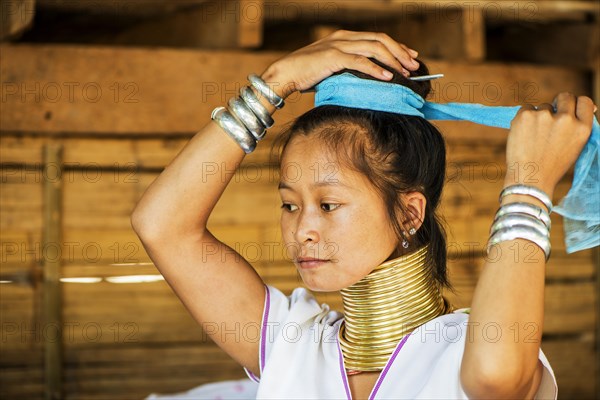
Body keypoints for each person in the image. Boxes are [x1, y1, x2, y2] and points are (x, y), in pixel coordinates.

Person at [132, 30, 596, 399]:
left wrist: (529, 181)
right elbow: (162, 226)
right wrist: (275, 82)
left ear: (410, 214)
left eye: (328, 205)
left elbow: (494, 379)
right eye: (290, 204)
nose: (302, 230)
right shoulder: (290, 344)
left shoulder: (470, 348)